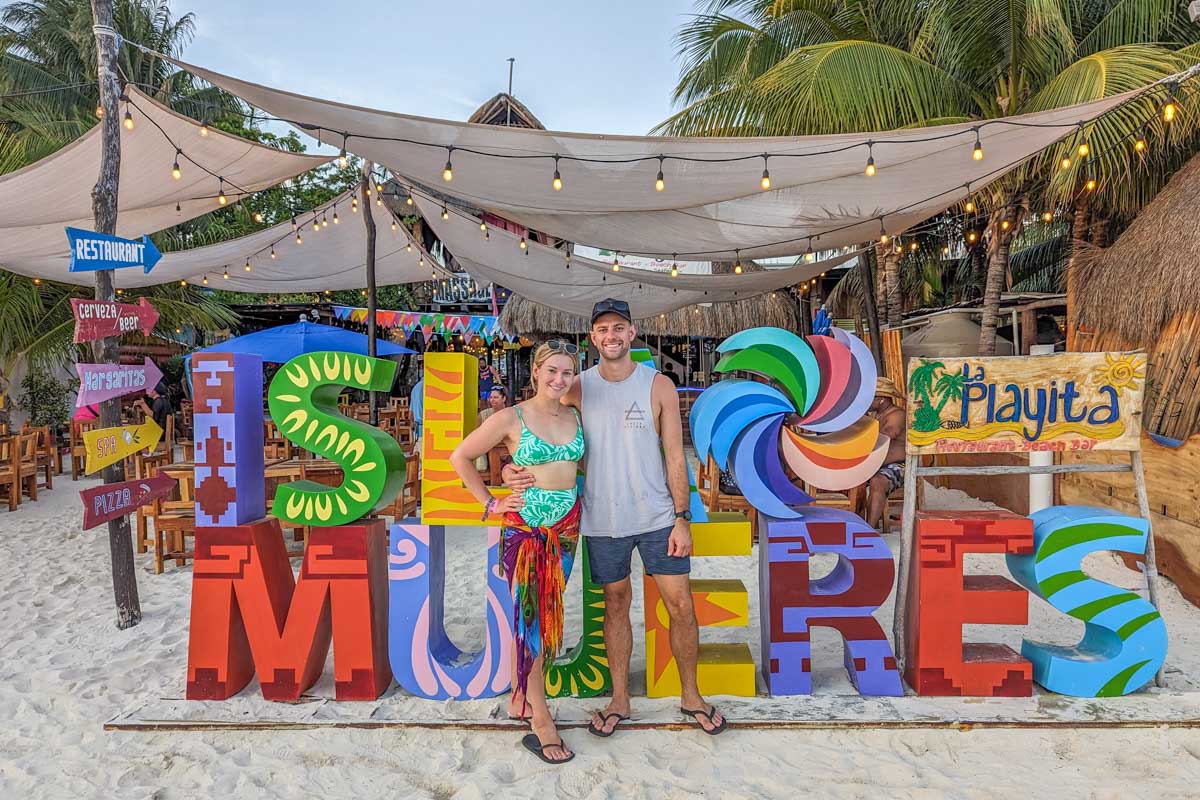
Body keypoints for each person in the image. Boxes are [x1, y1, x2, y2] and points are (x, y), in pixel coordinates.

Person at [504, 298, 728, 737]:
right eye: (603, 329)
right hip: (602, 519)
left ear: (632, 332)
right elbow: (534, 424)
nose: (611, 336)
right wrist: (514, 464)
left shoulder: (658, 384)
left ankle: (691, 696)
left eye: (619, 328)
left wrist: (683, 517)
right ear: (594, 337)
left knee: (680, 605)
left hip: (658, 515)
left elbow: (674, 456)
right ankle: (620, 698)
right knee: (615, 605)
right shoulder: (575, 386)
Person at [449, 341, 585, 765]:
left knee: (544, 611)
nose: (559, 380)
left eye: (567, 373)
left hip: (567, 529)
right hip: (527, 530)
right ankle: (540, 718)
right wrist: (491, 500)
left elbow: (575, 468)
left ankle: (519, 697)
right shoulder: (512, 416)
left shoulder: (575, 414)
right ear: (535, 372)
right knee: (534, 620)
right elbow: (461, 457)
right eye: (552, 372)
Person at [864, 377, 907, 531]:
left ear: (881, 399)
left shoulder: (898, 415)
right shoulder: (875, 416)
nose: (866, 401)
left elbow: (886, 436)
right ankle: (858, 524)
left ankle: (869, 530)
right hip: (875, 465)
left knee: (878, 482)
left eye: (869, 398)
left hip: (898, 465)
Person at [474, 387, 509, 472]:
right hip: (488, 448)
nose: (492, 400)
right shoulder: (483, 414)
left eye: (496, 397)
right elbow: (477, 434)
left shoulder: (511, 414)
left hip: (508, 448)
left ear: (503, 398)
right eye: (491, 397)